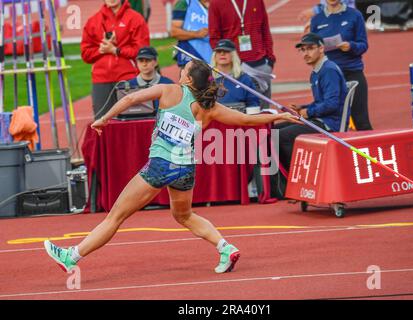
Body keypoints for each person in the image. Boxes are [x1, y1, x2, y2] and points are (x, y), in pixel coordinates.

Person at [43, 59, 299, 274]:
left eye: (184, 69)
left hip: (161, 166)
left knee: (115, 216)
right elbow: (246, 120)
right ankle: (226, 248)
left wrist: (103, 119)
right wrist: (278, 115)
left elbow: (131, 97)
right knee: (183, 215)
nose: (179, 71)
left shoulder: (169, 91)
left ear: (188, 80)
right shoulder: (210, 108)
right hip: (185, 169)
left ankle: (71, 256)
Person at [275, 33, 347, 171]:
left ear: (321, 49)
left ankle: (297, 176)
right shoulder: (317, 71)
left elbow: (332, 104)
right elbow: (322, 101)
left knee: (280, 136)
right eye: (303, 50)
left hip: (328, 123)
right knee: (273, 131)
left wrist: (308, 112)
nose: (306, 53)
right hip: (321, 118)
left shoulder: (328, 70)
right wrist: (303, 107)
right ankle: (281, 180)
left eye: (310, 48)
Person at [81, 0, 150, 120]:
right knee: (102, 123)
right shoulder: (93, 21)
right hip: (101, 80)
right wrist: (101, 50)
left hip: (128, 78)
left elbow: (142, 51)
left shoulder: (135, 18)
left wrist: (116, 50)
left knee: (131, 121)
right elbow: (85, 54)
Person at [310, 0, 373, 131]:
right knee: (329, 121)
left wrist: (351, 46)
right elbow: (312, 48)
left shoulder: (355, 15)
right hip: (329, 76)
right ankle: (338, 151)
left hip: (352, 72)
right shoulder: (317, 20)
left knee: (361, 121)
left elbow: (363, 45)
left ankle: (370, 151)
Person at [208, 0, 275, 109]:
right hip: (235, 66)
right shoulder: (216, 3)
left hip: (260, 63)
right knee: (239, 109)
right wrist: (229, 62)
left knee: (263, 111)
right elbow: (214, 38)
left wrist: (270, 59)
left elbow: (265, 29)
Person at [117, 46, 174, 113]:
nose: (144, 64)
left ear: (156, 62)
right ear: (136, 63)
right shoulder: (127, 87)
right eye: (141, 61)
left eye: (148, 60)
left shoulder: (169, 84)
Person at [211, 39, 260, 113]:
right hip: (214, 120)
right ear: (214, 56)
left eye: (226, 51)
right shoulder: (207, 79)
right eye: (218, 51)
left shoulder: (245, 79)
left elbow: (253, 104)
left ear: (233, 55)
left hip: (239, 121)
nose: (222, 54)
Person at [171, 0, 213, 68]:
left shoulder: (219, 3)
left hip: (214, 58)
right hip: (191, 58)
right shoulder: (184, 3)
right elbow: (174, 32)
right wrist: (197, 34)